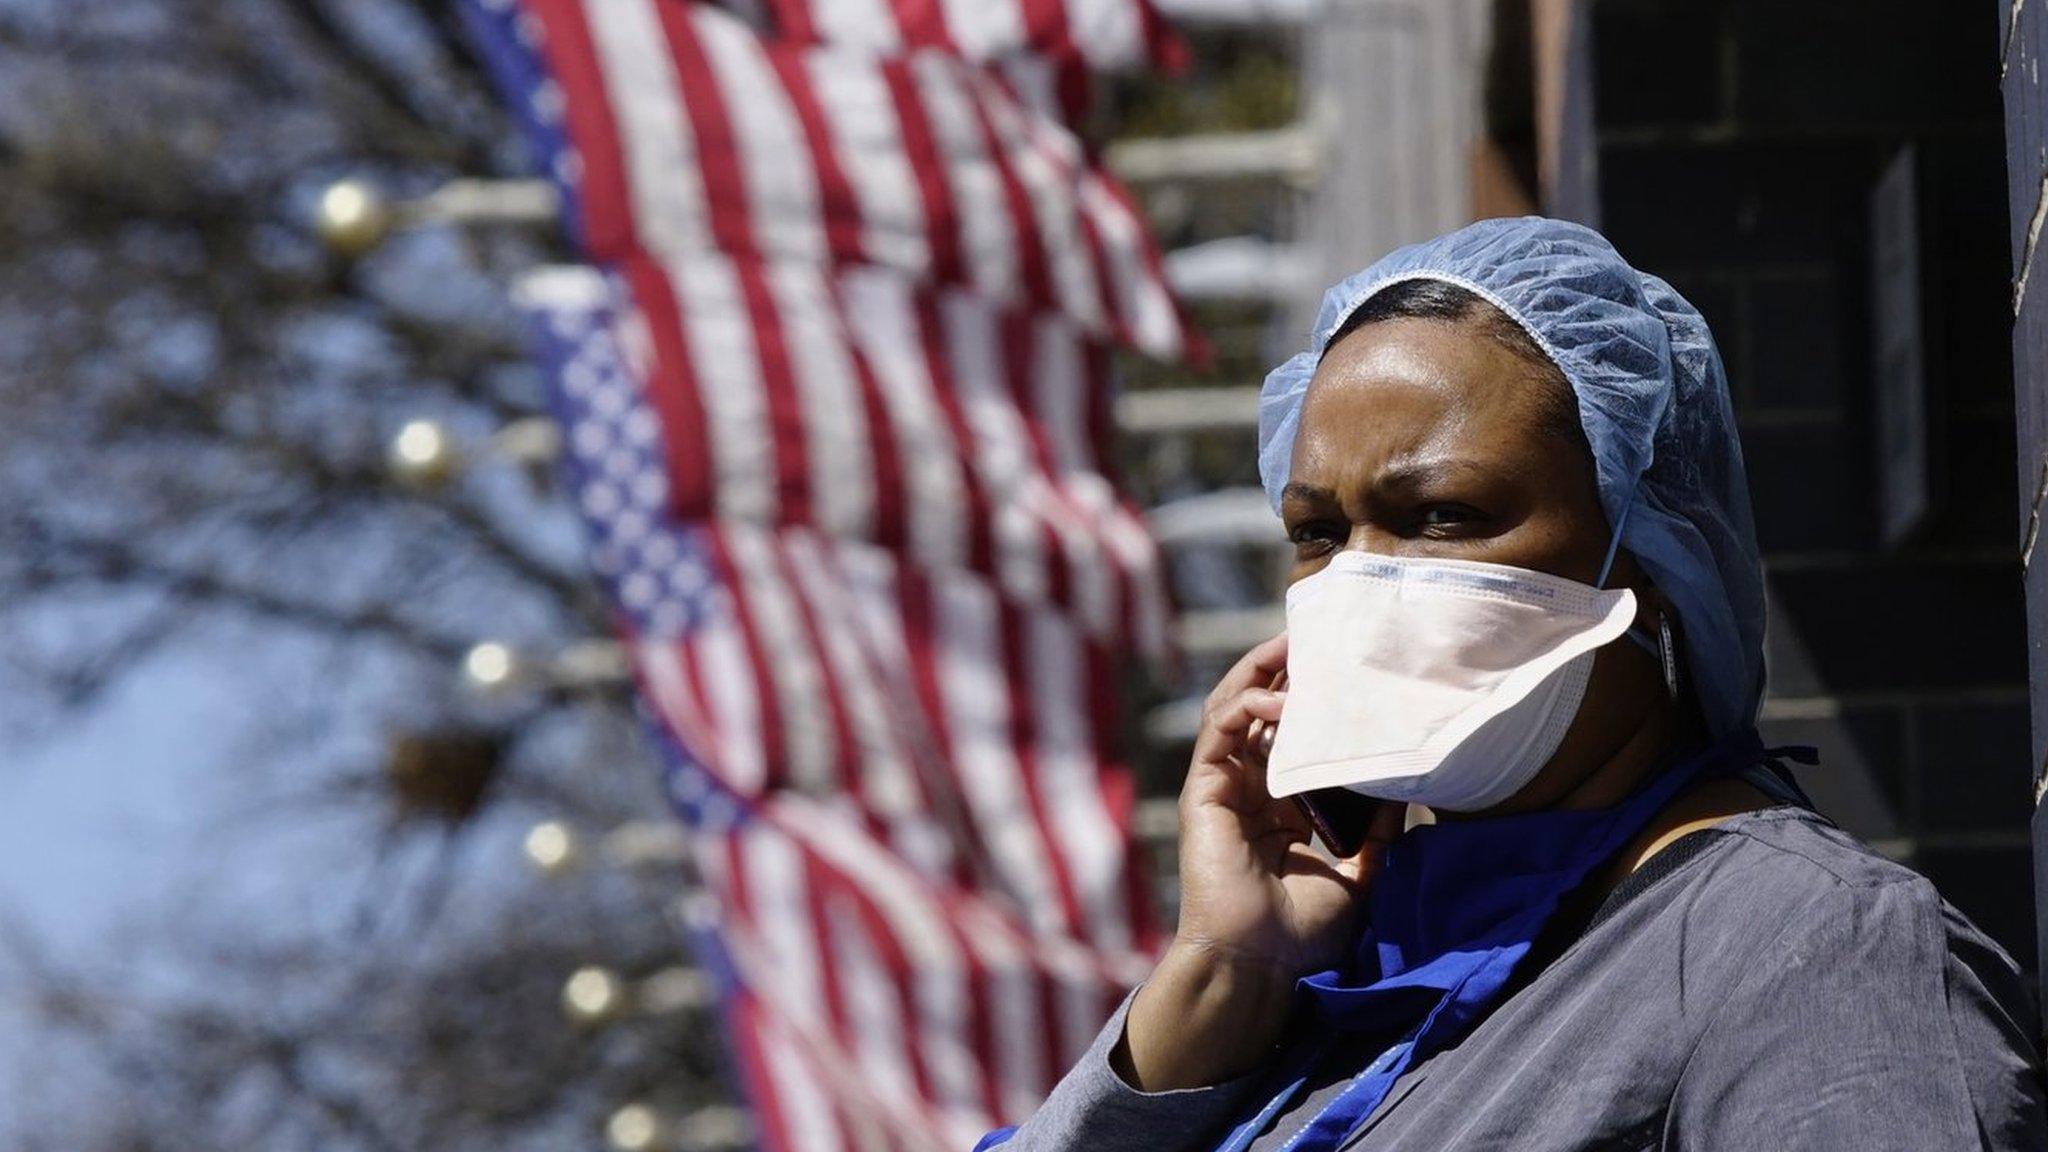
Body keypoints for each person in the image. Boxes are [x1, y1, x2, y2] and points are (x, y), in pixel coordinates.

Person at [978, 218, 2048, 1151]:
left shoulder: (1809, 952)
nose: (1357, 579)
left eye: (1440, 514)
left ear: (1653, 549)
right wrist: (1221, 969)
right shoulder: (1333, 986)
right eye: (1315, 533)